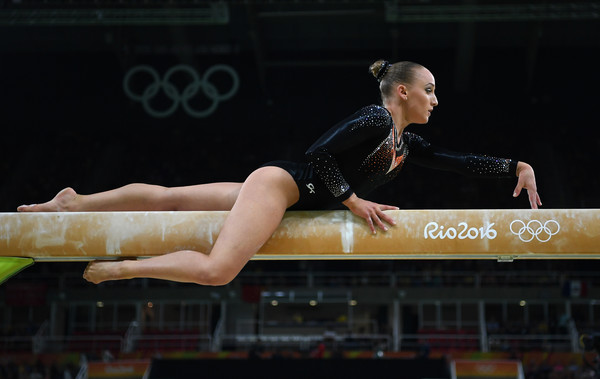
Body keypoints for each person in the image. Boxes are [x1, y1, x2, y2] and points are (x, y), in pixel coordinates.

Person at [17, 60, 541, 286]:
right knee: (218, 270)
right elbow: (316, 154)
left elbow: (458, 162)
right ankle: (122, 268)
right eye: (428, 89)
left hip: (285, 191)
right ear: (401, 91)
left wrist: (515, 166)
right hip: (282, 185)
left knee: (169, 196)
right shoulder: (377, 117)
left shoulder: (406, 144)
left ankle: (75, 202)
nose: (435, 98)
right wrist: (354, 201)